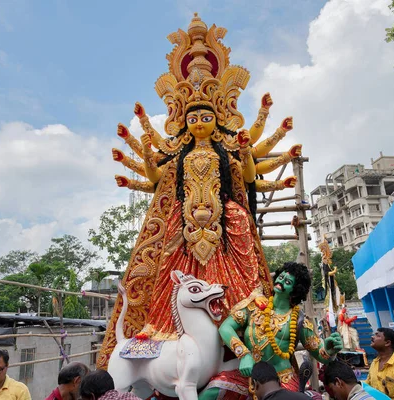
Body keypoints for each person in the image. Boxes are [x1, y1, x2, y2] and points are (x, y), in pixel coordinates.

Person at [98, 14, 301, 368]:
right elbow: (156, 178)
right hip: (184, 223)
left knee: (244, 278)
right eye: (192, 118)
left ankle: (245, 337)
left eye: (205, 117)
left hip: (225, 224)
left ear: (218, 114)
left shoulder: (228, 152)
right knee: (167, 277)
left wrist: (273, 141)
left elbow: (250, 174)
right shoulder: (178, 155)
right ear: (184, 121)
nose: (199, 122)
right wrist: (143, 150)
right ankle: (160, 332)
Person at [200, 262, 343, 399]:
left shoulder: (299, 321)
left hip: (281, 378)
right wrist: (243, 354)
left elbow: (319, 353)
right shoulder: (253, 307)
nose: (281, 281)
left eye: (288, 282)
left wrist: (329, 350)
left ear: (295, 291)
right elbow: (225, 327)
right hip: (250, 374)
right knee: (211, 392)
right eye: (281, 277)